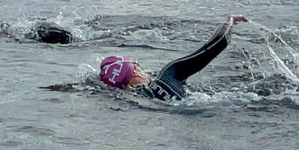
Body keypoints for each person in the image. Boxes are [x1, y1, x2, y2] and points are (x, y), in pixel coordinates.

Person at [99, 15, 247, 100]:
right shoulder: (168, 75)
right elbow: (216, 44)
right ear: (135, 72)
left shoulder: (137, 100)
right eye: (137, 66)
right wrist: (230, 20)